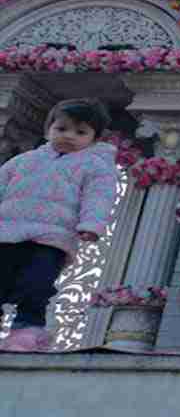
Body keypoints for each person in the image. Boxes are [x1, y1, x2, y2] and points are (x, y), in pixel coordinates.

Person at [0, 98, 119, 352]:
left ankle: (27, 332)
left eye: (80, 132)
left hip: (52, 239)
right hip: (7, 234)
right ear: (48, 130)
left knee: (37, 284)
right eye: (61, 129)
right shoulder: (23, 161)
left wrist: (91, 224)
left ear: (95, 139)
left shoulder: (95, 166)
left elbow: (98, 197)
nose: (69, 136)